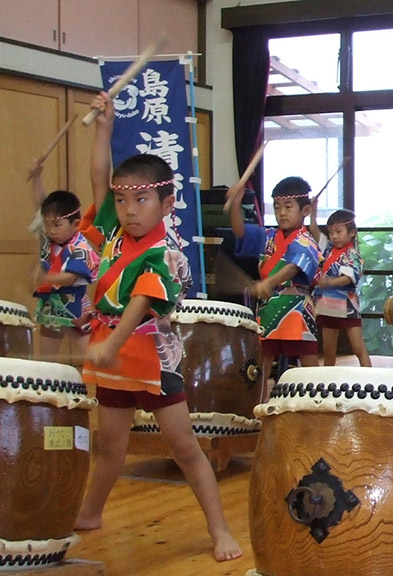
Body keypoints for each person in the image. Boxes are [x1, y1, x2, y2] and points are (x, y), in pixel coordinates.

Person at [75, 91, 241, 562]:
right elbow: (97, 179)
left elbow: (145, 299)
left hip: (151, 357)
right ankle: (90, 512)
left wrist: (112, 345)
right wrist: (105, 126)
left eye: (142, 199)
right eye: (124, 200)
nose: (130, 210)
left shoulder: (164, 251)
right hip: (112, 353)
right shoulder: (113, 229)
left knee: (186, 448)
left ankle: (220, 530)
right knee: (110, 447)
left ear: (167, 203)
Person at [225, 175, 321, 398]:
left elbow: (293, 267)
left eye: (288, 207)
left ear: (305, 210)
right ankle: (257, 405)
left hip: (297, 309)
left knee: (309, 362)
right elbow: (240, 231)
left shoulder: (306, 240)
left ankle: (318, 404)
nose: (282, 213)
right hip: (268, 308)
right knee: (262, 361)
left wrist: (268, 282)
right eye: (277, 207)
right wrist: (236, 203)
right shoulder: (268, 236)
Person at [26, 161, 99, 362]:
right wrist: (37, 178)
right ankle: (45, 382)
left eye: (57, 225)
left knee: (88, 350)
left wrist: (45, 277)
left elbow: (70, 277)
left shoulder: (80, 247)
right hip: (52, 302)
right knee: (46, 356)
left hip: (74, 303)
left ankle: (101, 381)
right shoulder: (50, 237)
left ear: (75, 224)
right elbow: (41, 205)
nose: (51, 230)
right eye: (48, 225)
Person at [309, 208, 371, 367]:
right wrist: (313, 213)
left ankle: (370, 379)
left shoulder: (352, 255)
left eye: (338, 231)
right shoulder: (328, 248)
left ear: (351, 233)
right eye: (331, 232)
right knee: (329, 351)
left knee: (358, 348)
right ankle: (328, 385)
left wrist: (327, 282)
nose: (334, 236)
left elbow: (346, 279)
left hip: (347, 307)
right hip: (326, 306)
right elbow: (315, 232)